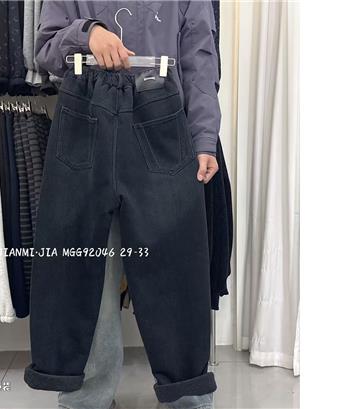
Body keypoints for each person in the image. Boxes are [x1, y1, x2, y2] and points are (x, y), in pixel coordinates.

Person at [25, 2, 222, 409]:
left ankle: (187, 396)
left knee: (174, 270)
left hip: (161, 121)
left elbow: (200, 58)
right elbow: (45, 50)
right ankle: (85, 398)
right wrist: (87, 34)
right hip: (86, 117)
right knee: (83, 267)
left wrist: (204, 137)